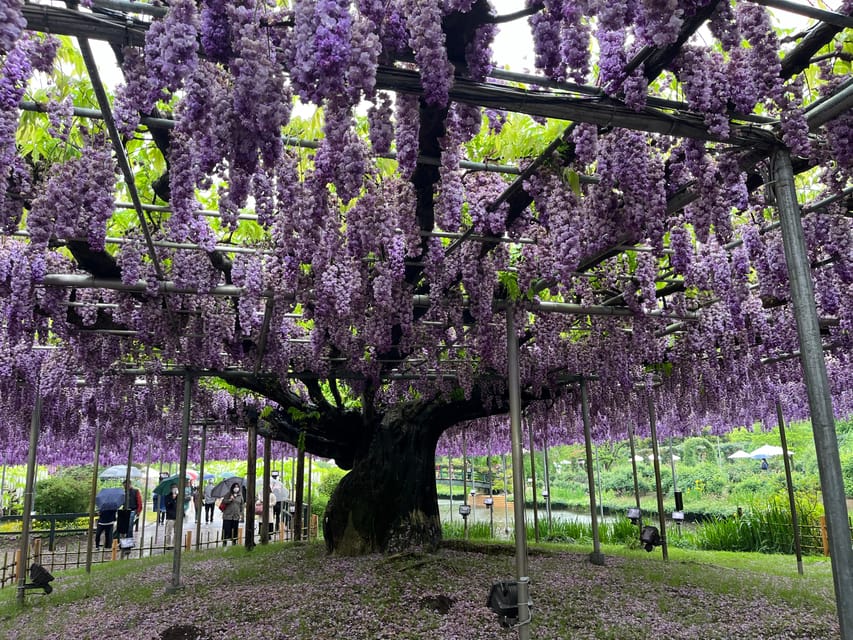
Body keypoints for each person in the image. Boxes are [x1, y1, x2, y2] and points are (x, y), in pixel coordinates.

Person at [220, 481, 244, 546]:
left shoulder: (240, 495)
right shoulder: (228, 494)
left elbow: (242, 505)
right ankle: (224, 542)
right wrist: (230, 499)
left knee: (235, 529)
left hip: (236, 515)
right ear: (232, 488)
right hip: (228, 515)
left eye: (237, 487)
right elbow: (224, 501)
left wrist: (241, 514)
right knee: (226, 529)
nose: (236, 488)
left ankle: (234, 541)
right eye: (235, 487)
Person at [164, 484, 179, 549]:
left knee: (176, 532)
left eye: (176, 488)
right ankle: (167, 545)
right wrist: (172, 499)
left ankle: (174, 544)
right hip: (170, 517)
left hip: (177, 517)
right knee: (168, 532)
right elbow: (167, 506)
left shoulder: (179, 497)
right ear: (171, 489)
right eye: (173, 488)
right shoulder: (168, 496)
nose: (175, 489)